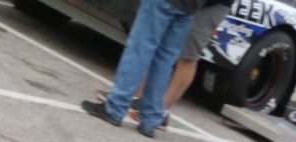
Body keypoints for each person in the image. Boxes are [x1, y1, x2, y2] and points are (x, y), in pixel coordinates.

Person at [93, 3, 232, 133]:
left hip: (201, 5)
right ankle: (149, 116)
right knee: (164, 58)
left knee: (144, 47)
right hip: (191, 6)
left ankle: (117, 107)